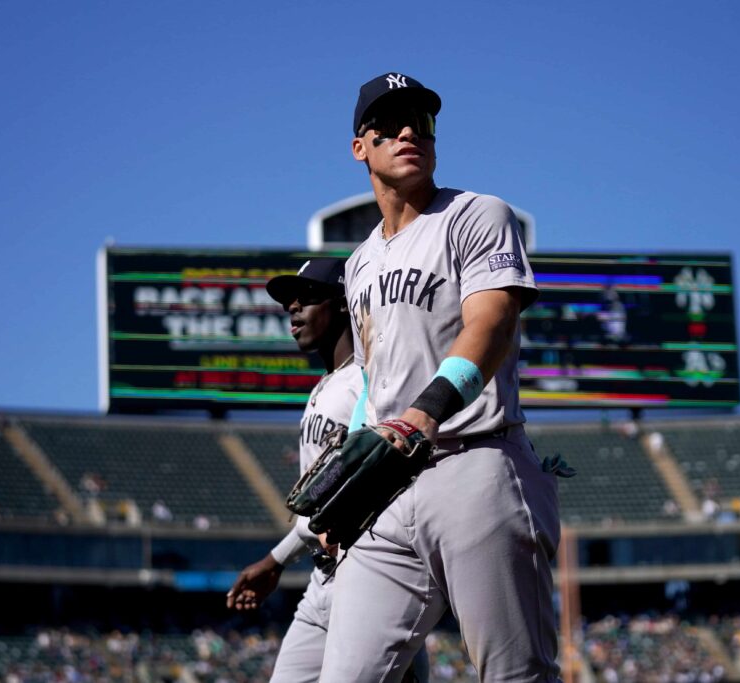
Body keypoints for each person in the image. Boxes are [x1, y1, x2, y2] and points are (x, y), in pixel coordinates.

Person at [318, 73, 563, 681]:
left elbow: (492, 323)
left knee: (513, 674)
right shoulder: (357, 264)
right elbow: (374, 379)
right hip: (386, 490)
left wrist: (426, 410)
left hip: (474, 464)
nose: (408, 131)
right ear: (360, 147)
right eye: (390, 122)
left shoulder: (475, 215)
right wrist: (342, 484)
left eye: (421, 122)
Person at [226, 257, 427, 682]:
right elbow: (315, 509)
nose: (293, 309)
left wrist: (275, 558)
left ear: (341, 305)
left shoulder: (366, 381)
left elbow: (366, 488)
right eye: (289, 303)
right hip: (321, 581)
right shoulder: (325, 386)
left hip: (368, 574)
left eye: (308, 298)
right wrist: (277, 561)